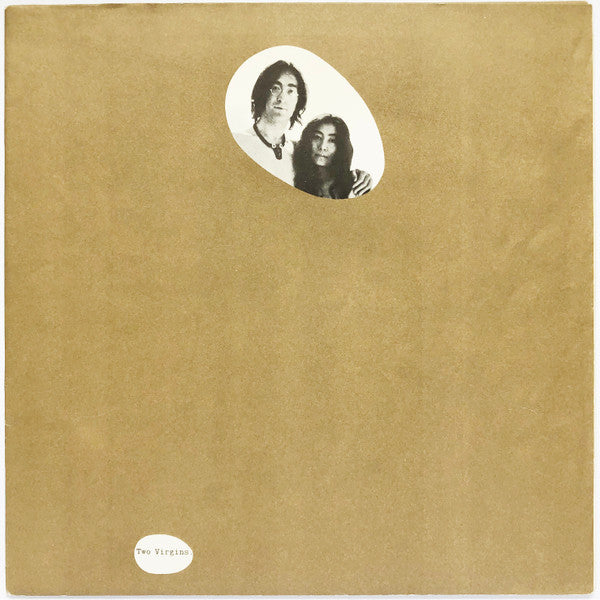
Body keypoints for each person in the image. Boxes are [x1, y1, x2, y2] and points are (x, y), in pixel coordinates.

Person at [233, 60, 371, 196]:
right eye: (275, 88)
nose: (282, 98)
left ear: (298, 101)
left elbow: (331, 180)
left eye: (290, 91)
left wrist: (359, 177)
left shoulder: (299, 151)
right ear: (262, 93)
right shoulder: (237, 141)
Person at [292, 115, 355, 199]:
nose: (322, 147)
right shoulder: (293, 175)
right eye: (317, 137)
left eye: (332, 140)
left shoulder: (354, 186)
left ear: (341, 146)